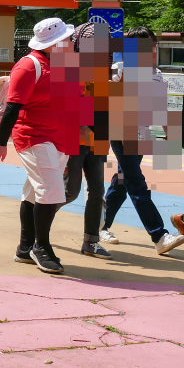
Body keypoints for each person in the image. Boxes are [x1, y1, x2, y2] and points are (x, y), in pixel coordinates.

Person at [0, 17, 75, 274]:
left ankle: (25, 248)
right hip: (33, 136)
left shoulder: (62, 64)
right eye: (66, 39)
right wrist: (0, 143)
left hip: (59, 137)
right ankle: (42, 247)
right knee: (50, 190)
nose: (70, 43)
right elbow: (13, 106)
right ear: (53, 44)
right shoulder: (29, 66)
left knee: (35, 192)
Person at [99, 26, 184, 255]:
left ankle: (99, 225)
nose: (151, 50)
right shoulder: (119, 69)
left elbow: (159, 109)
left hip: (141, 132)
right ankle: (159, 235)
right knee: (137, 183)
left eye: (153, 45)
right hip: (121, 131)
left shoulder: (156, 73)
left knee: (121, 182)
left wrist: (170, 134)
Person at [61, 22, 112, 259]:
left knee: (97, 191)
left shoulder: (105, 69)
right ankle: (35, 217)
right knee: (70, 191)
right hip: (76, 134)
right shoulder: (70, 67)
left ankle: (91, 241)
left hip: (98, 134)